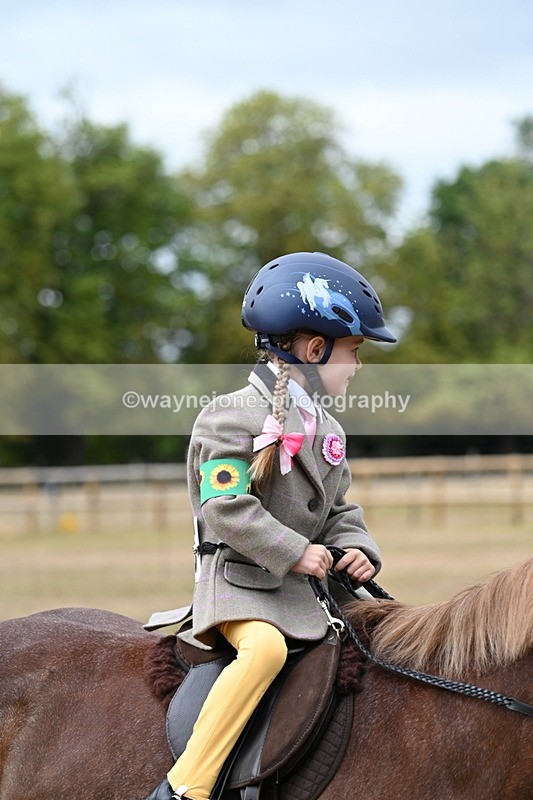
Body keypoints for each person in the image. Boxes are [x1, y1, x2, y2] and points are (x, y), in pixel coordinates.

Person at [146, 251, 396, 800]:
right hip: (241, 589)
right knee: (264, 651)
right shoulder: (228, 416)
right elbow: (224, 506)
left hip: (306, 593)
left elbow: (338, 509)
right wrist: (295, 552)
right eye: (353, 352)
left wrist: (355, 548)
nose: (357, 366)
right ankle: (184, 787)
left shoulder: (326, 426)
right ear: (314, 349)